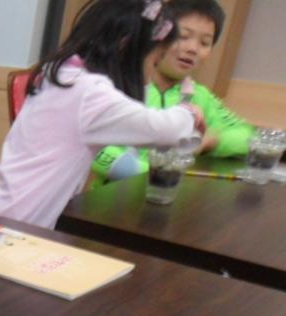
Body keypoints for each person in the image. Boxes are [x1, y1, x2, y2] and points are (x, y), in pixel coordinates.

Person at [0, 0, 206, 229]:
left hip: (2, 209)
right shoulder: (90, 94)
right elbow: (163, 129)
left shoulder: (63, 73)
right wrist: (189, 113)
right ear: (125, 47)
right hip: (14, 225)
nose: (151, 73)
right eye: (155, 61)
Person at [90, 0, 255, 186]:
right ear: (157, 37)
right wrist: (156, 172)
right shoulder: (119, 84)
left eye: (204, 43)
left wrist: (212, 141)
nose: (193, 49)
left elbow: (247, 137)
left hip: (171, 195)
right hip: (112, 197)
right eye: (183, 36)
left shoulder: (201, 96)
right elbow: (96, 148)